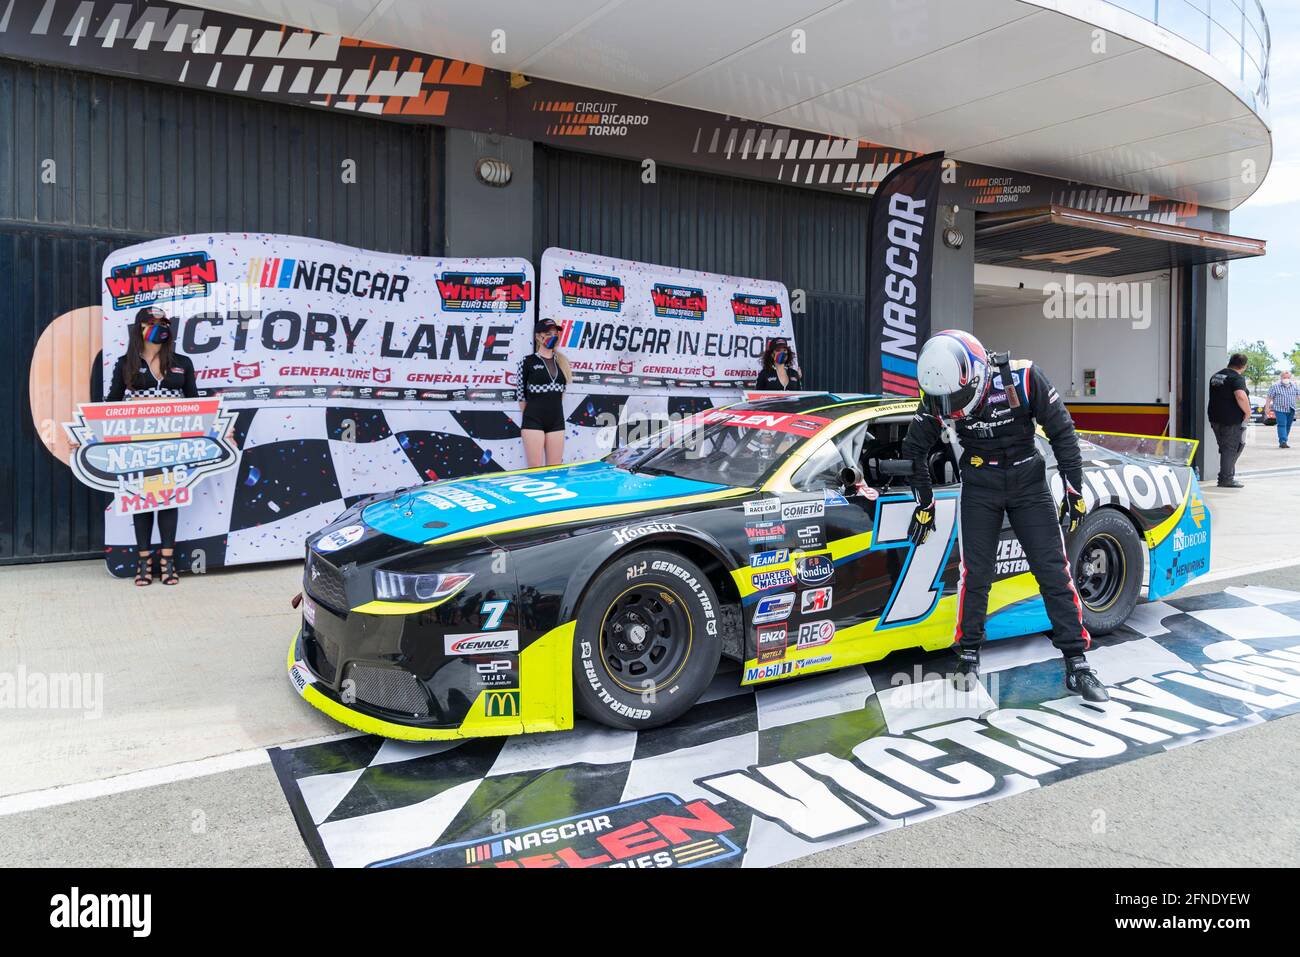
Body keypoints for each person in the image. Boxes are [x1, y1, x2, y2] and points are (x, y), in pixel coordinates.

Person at [900, 330, 1107, 703]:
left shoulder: (1024, 377)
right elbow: (913, 448)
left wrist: (1074, 490)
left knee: (1052, 571)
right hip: (980, 483)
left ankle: (1077, 663)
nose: (952, 407)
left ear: (977, 373)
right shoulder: (937, 395)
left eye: (957, 398)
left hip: (1029, 481)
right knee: (975, 573)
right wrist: (925, 503)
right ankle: (967, 655)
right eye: (943, 401)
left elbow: (1063, 433)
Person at [106, 306, 199, 586]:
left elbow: (196, 402)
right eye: (154, 322)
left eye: (165, 322)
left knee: (171, 497)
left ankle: (168, 560)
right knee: (142, 498)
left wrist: (220, 431)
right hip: (138, 443)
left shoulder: (182, 361)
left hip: (174, 442)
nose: (161, 326)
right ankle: (143, 560)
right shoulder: (126, 364)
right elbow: (110, 403)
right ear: (140, 328)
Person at [517, 317, 570, 468]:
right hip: (533, 421)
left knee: (555, 470)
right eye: (548, 333)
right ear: (538, 336)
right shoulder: (527, 361)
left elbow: (561, 393)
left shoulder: (563, 362)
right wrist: (530, 416)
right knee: (535, 470)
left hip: (556, 421)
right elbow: (520, 394)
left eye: (555, 332)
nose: (553, 335)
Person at [1207, 353, 1251, 487]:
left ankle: (1227, 475)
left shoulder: (1216, 376)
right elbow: (1241, 396)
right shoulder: (1236, 378)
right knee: (1231, 448)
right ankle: (1226, 479)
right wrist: (1248, 412)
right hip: (1230, 420)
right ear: (1244, 366)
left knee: (1225, 447)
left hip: (1215, 417)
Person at [1264, 370, 1298, 449]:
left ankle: (1284, 440)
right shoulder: (1275, 386)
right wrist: (1267, 407)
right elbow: (1269, 397)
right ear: (1281, 377)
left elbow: (1298, 396)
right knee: (1282, 424)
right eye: (1284, 377)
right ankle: (1283, 441)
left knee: (1288, 425)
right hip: (1279, 409)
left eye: (1288, 377)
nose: (1286, 379)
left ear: (1290, 378)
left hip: (1291, 409)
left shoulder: (1294, 386)